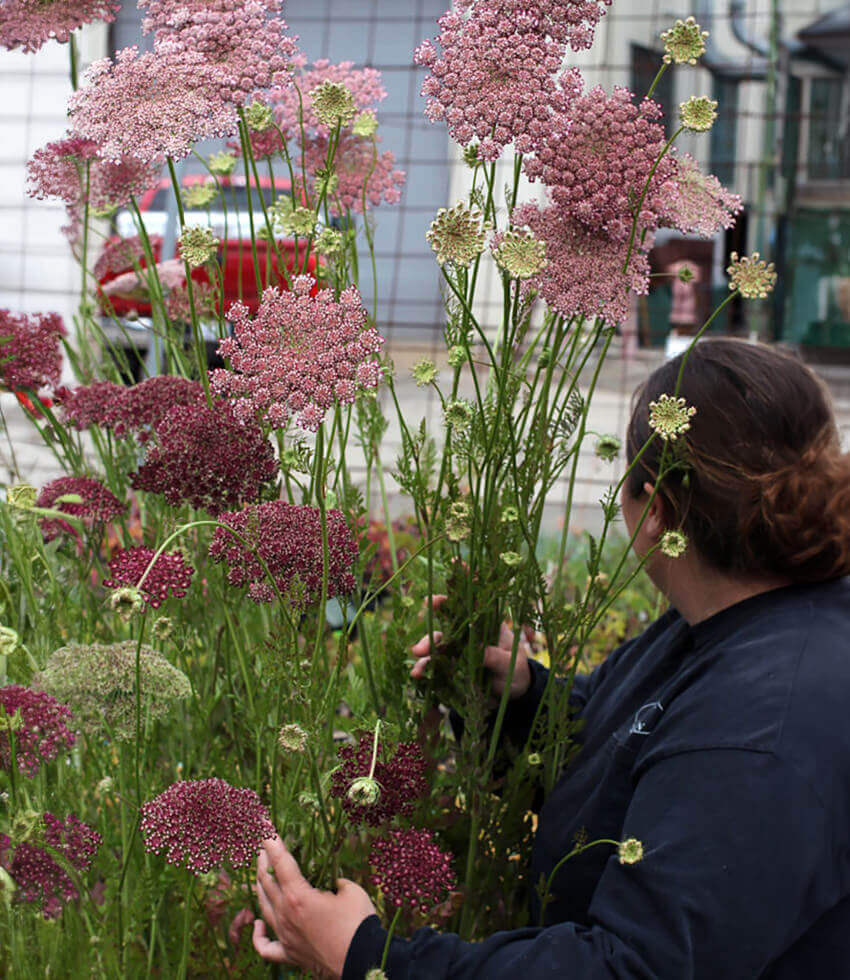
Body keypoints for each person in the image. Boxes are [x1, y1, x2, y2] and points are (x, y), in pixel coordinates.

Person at [253, 338, 850, 979]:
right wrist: (521, 698)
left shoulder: (758, 736)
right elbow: (627, 751)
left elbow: (626, 969)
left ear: (656, 510)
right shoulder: (738, 621)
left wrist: (366, 958)